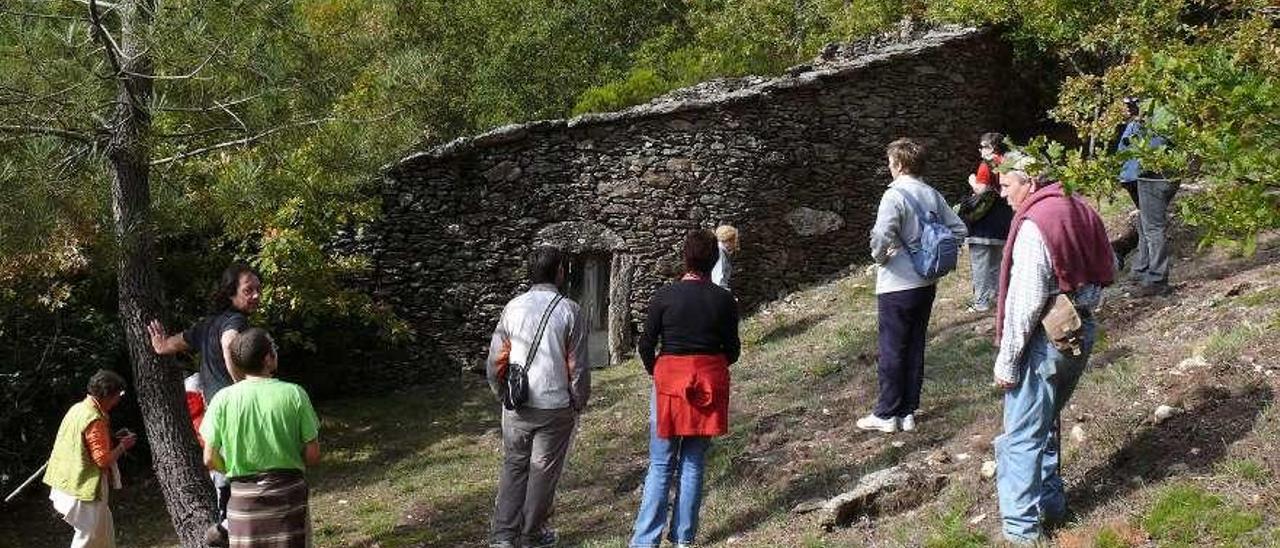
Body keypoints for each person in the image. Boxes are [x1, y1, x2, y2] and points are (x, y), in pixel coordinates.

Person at [992, 153, 1115, 545]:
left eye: (1007, 185)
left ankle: (1021, 531)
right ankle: (1053, 505)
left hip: (1045, 339)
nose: (1002, 193)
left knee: (1021, 435)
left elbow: (1025, 302)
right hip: (1080, 330)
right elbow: (1109, 263)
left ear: (1028, 182)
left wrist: (1008, 361)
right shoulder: (1078, 206)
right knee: (1044, 423)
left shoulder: (1036, 224)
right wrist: (1084, 301)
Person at [630, 229, 740, 548]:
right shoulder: (723, 300)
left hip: (669, 384)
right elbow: (732, 349)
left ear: (686, 258)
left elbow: (646, 343)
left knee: (662, 462)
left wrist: (659, 372)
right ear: (715, 259)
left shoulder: (665, 295)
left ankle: (644, 541)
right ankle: (683, 537)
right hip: (707, 384)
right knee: (693, 461)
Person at [146, 263, 261, 545]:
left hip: (214, 414)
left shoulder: (207, 324)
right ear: (231, 294)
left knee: (222, 470)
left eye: (258, 289)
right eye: (249, 290)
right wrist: (244, 386)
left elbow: (169, 345)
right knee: (242, 473)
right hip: (234, 412)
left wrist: (159, 343)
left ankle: (225, 524)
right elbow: (229, 342)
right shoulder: (236, 322)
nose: (256, 295)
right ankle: (230, 528)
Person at [860, 138, 967, 433]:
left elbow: (882, 235)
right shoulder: (931, 194)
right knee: (915, 345)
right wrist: (930, 251)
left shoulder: (894, 196)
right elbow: (959, 229)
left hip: (897, 283)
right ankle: (907, 412)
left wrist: (880, 257)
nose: (889, 166)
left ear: (899, 164)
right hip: (926, 281)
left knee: (892, 348)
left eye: (890, 162)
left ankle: (885, 415)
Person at [485, 246, 590, 548]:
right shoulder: (570, 310)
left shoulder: (512, 307)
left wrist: (500, 392)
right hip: (554, 406)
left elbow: (495, 360)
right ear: (559, 272)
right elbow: (577, 365)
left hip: (517, 404)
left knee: (514, 466)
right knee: (543, 472)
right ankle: (531, 535)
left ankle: (503, 537)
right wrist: (579, 400)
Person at [200, 328, 321, 548]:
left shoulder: (222, 399)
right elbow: (312, 455)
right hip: (288, 499)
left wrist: (233, 470)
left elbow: (209, 458)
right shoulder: (294, 394)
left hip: (243, 504)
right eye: (273, 348)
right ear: (267, 359)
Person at [43, 369, 138, 548]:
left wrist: (111, 440)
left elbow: (81, 443)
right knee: (90, 537)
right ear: (107, 396)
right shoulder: (94, 418)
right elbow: (102, 460)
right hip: (82, 487)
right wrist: (123, 446)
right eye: (118, 395)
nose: (118, 400)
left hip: (66, 482)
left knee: (103, 530)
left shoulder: (78, 408)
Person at [1116, 96, 1177, 297]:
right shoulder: (1141, 120)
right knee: (1145, 223)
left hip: (1152, 177)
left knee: (1153, 227)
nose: (1126, 108)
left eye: (1130, 104)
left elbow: (1150, 152)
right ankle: (1141, 269)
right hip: (1138, 177)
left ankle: (1157, 279)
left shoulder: (1158, 117)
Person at [956, 132, 1014, 313]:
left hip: (984, 222)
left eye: (983, 146)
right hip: (1003, 219)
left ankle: (981, 302)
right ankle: (997, 298)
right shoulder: (1007, 163)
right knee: (996, 263)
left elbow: (980, 189)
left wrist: (972, 180)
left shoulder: (986, 165)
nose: (980, 150)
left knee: (980, 264)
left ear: (993, 147)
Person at [710, 225, 738, 290]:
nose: (735, 243)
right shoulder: (720, 253)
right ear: (729, 240)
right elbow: (719, 278)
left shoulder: (718, 250)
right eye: (734, 240)